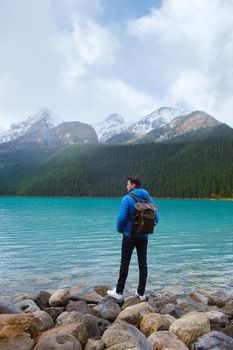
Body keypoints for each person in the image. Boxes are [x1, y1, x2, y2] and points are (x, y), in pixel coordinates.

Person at [107, 176, 159, 301]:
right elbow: (156, 219)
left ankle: (119, 292)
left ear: (133, 185)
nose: (127, 186)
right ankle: (141, 293)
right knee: (143, 263)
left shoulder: (127, 199)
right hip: (144, 237)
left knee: (125, 263)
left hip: (129, 236)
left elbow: (121, 218)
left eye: (128, 184)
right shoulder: (149, 199)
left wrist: (120, 230)